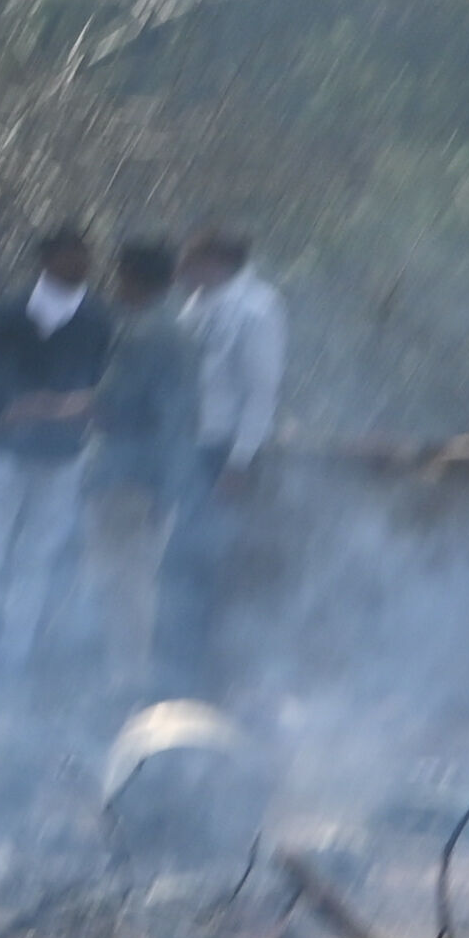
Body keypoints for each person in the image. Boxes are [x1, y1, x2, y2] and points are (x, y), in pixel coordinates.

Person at [0, 227, 111, 681]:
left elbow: (101, 387)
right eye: (70, 256)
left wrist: (52, 409)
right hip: (3, 452)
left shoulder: (98, 320)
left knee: (36, 556)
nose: (80, 265)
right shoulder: (8, 312)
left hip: (61, 457)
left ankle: (12, 654)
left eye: (85, 256)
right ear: (45, 259)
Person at [162, 226, 285, 689]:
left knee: (208, 564)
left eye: (191, 263)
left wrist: (240, 462)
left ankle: (205, 675)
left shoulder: (257, 309)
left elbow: (261, 392)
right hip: (187, 450)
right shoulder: (197, 305)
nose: (183, 273)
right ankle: (175, 667)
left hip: (221, 453)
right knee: (178, 565)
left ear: (216, 262)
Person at [86, 238, 191, 693]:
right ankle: (128, 675)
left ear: (131, 278)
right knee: (136, 579)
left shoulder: (142, 333)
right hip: (158, 476)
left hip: (128, 475)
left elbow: (113, 403)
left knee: (123, 582)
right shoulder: (179, 331)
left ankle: (126, 681)